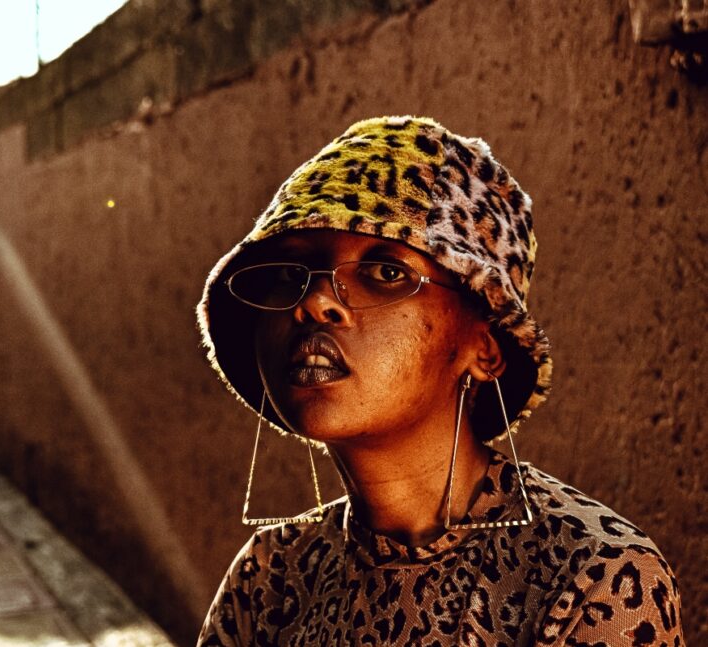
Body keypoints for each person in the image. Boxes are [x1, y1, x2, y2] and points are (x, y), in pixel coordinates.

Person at [194, 116, 685, 645]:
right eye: (291, 274)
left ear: (485, 350)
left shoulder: (592, 579)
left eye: (386, 272)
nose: (316, 302)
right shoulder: (270, 575)